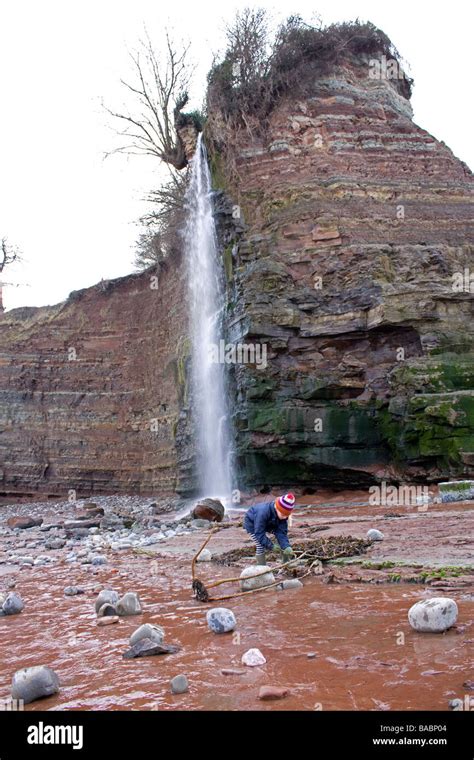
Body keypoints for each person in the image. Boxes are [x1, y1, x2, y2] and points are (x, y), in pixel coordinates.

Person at [243, 493, 296, 564]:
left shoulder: (283, 517)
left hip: (270, 523)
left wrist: (286, 546)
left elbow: (282, 534)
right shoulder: (263, 512)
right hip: (252, 524)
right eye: (283, 515)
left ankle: (285, 562)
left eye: (287, 515)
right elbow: (259, 534)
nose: (285, 517)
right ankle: (261, 565)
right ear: (277, 508)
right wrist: (271, 546)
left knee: (281, 541)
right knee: (260, 545)